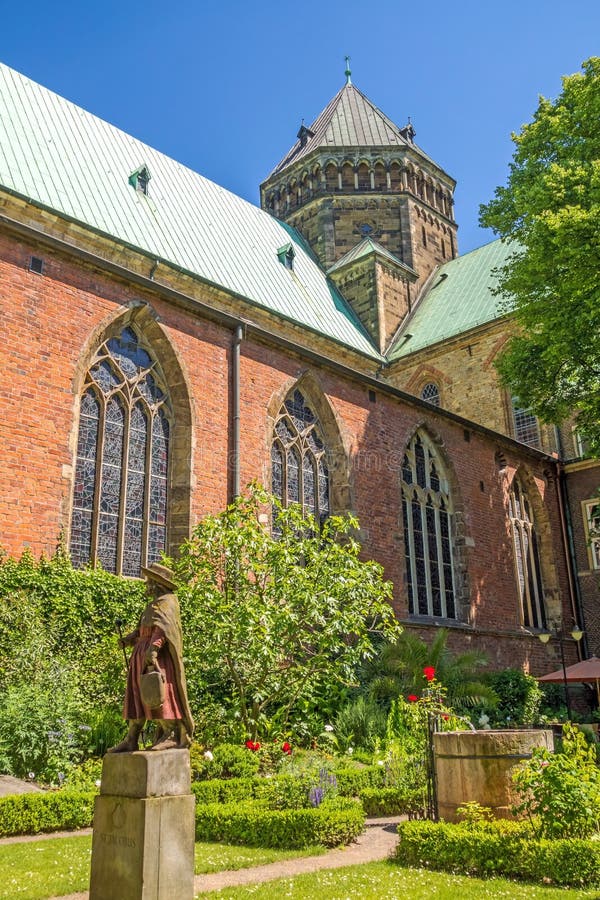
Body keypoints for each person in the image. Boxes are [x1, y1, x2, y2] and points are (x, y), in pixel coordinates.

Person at [109, 563, 194, 752]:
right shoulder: (152, 604)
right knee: (137, 697)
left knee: (159, 694)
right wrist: (129, 640)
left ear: (157, 584)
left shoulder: (168, 602)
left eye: (149, 582)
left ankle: (170, 733)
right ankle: (131, 738)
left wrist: (154, 649)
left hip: (156, 658)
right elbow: (142, 630)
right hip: (140, 654)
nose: (146, 585)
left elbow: (163, 629)